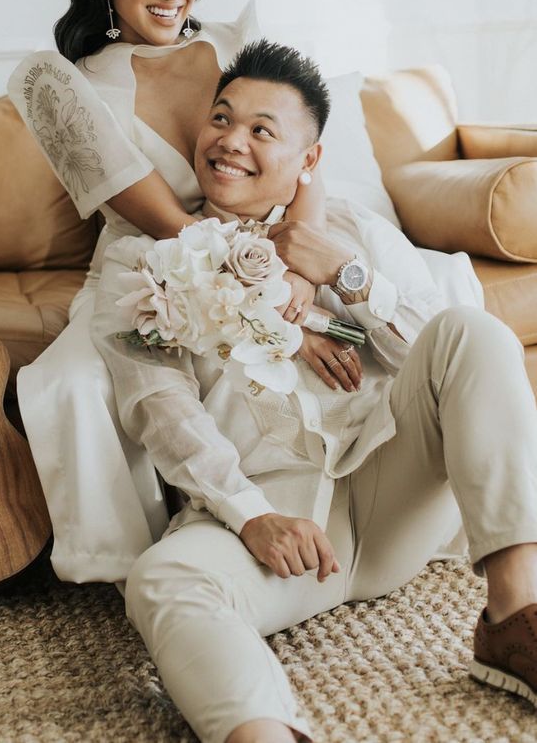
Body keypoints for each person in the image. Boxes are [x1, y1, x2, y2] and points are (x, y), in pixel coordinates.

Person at [90, 39, 537, 743]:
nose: (230, 142)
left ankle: (513, 621)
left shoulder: (353, 230)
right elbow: (159, 407)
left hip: (389, 487)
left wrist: (347, 275)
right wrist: (250, 516)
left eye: (261, 130)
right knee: (161, 579)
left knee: (474, 332)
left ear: (308, 161)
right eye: (221, 119)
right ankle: (261, 733)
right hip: (277, 528)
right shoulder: (141, 258)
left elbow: (437, 355)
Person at [7, 0, 326, 583]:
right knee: (70, 383)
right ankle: (135, 564)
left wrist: (300, 264)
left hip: (271, 247)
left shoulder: (237, 44)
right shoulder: (67, 83)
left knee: (378, 318)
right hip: (152, 263)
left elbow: (305, 154)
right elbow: (171, 225)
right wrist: (255, 295)